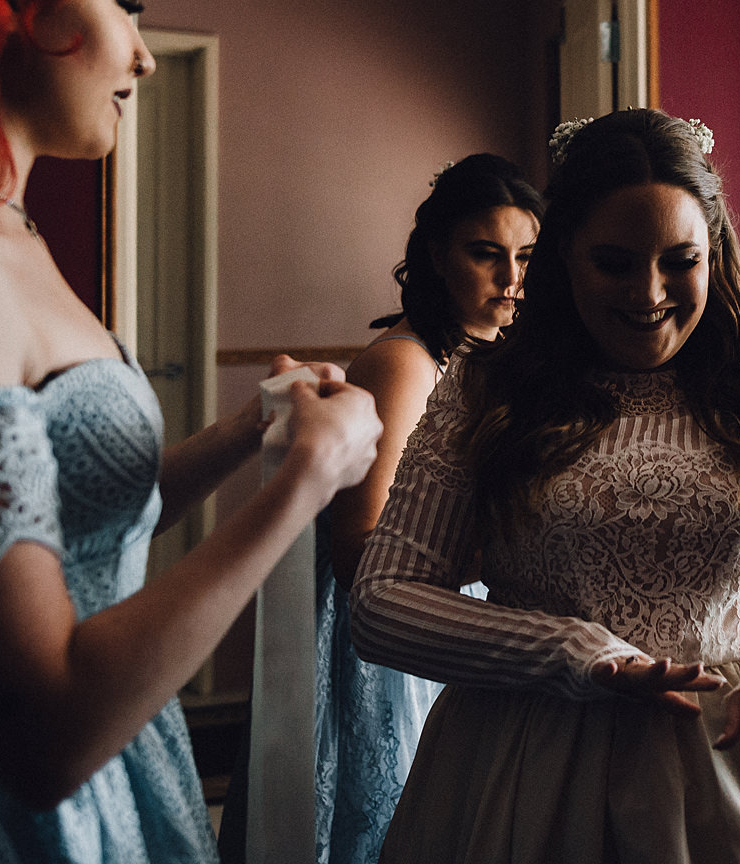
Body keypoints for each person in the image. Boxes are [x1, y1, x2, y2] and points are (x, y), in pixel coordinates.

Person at [0, 0, 382, 861]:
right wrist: (306, 482)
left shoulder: (6, 235)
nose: (144, 57)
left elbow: (58, 518)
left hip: (125, 774)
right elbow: (40, 728)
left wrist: (253, 431)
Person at [350, 108, 740, 863]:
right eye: (614, 262)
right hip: (532, 766)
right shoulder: (487, 391)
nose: (649, 292)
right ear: (564, 256)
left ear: (715, 254)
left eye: (680, 260)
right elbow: (381, 603)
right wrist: (570, 651)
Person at [224, 154, 543, 863]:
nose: (512, 279)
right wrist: (509, 558)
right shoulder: (406, 363)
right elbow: (358, 545)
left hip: (461, 604)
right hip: (390, 640)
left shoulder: (494, 358)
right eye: (486, 254)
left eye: (527, 256)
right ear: (436, 255)